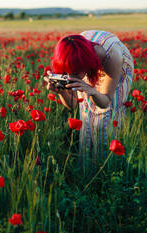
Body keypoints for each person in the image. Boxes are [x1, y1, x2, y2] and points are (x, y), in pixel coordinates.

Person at [44, 30, 134, 165]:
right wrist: (62, 92)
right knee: (86, 112)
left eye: (73, 73)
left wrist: (92, 91)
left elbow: (105, 103)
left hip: (116, 65)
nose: (70, 76)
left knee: (106, 117)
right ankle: (86, 164)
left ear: (84, 66)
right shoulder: (72, 56)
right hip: (86, 62)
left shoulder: (111, 56)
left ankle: (105, 164)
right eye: (66, 72)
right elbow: (74, 105)